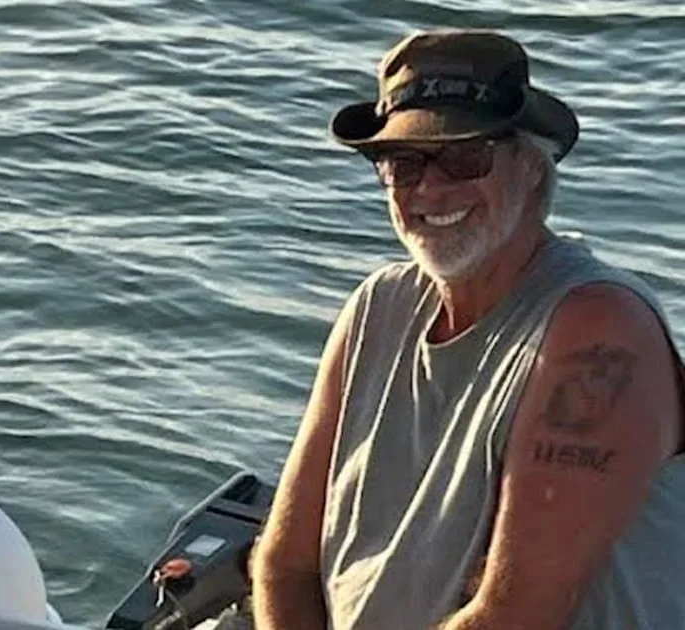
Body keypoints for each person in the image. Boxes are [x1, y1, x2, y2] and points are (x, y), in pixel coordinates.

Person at [250, 29, 685, 630]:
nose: (431, 187)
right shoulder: (377, 306)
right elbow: (285, 563)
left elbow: (515, 616)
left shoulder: (599, 331)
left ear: (531, 168)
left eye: (464, 157)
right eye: (404, 163)